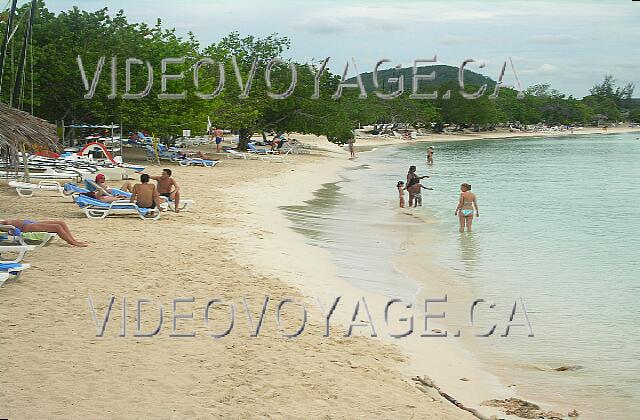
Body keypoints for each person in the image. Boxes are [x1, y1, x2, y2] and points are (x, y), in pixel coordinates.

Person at [1, 219, 88, 247]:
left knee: (61, 223)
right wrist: (14, 231)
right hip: (26, 227)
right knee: (57, 227)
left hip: (30, 223)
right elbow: (10, 229)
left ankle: (73, 240)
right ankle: (72, 242)